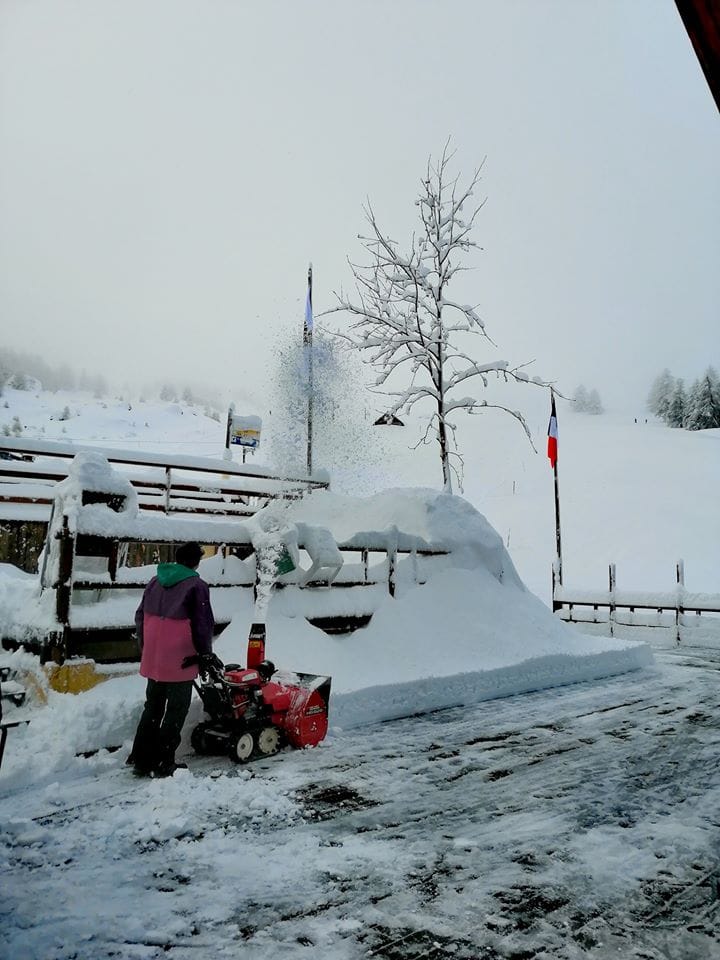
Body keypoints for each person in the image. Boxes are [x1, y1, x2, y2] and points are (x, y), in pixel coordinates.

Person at [128, 541, 215, 777]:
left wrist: (146, 647)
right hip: (180, 658)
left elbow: (140, 616)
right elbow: (202, 624)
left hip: (154, 657)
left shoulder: (155, 581)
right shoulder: (197, 585)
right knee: (176, 709)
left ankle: (141, 758)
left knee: (153, 707)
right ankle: (164, 760)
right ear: (196, 561)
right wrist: (205, 653)